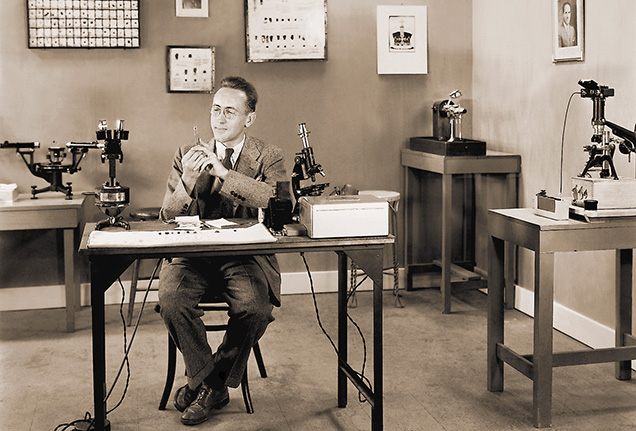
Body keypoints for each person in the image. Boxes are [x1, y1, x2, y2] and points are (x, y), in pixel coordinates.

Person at [157, 76, 287, 426]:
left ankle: (204, 385)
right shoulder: (186, 153)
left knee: (255, 307)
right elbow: (167, 216)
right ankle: (213, 385)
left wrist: (224, 173)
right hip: (192, 255)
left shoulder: (269, 155)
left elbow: (275, 202)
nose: (220, 118)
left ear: (250, 118)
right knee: (171, 299)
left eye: (231, 111)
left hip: (244, 257)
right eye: (216, 110)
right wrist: (185, 179)